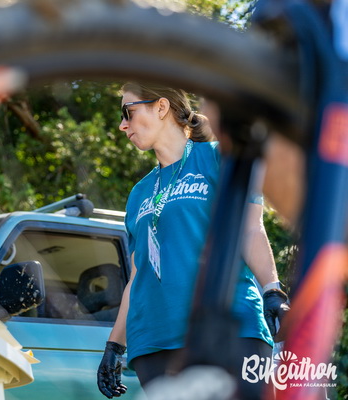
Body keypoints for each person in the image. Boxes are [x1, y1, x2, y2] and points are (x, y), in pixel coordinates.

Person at [96, 83, 290, 399]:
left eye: (127, 113)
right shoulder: (138, 193)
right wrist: (114, 346)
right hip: (154, 342)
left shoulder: (220, 158)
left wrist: (272, 290)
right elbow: (137, 275)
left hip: (230, 327)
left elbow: (250, 229)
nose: (122, 125)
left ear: (161, 107)